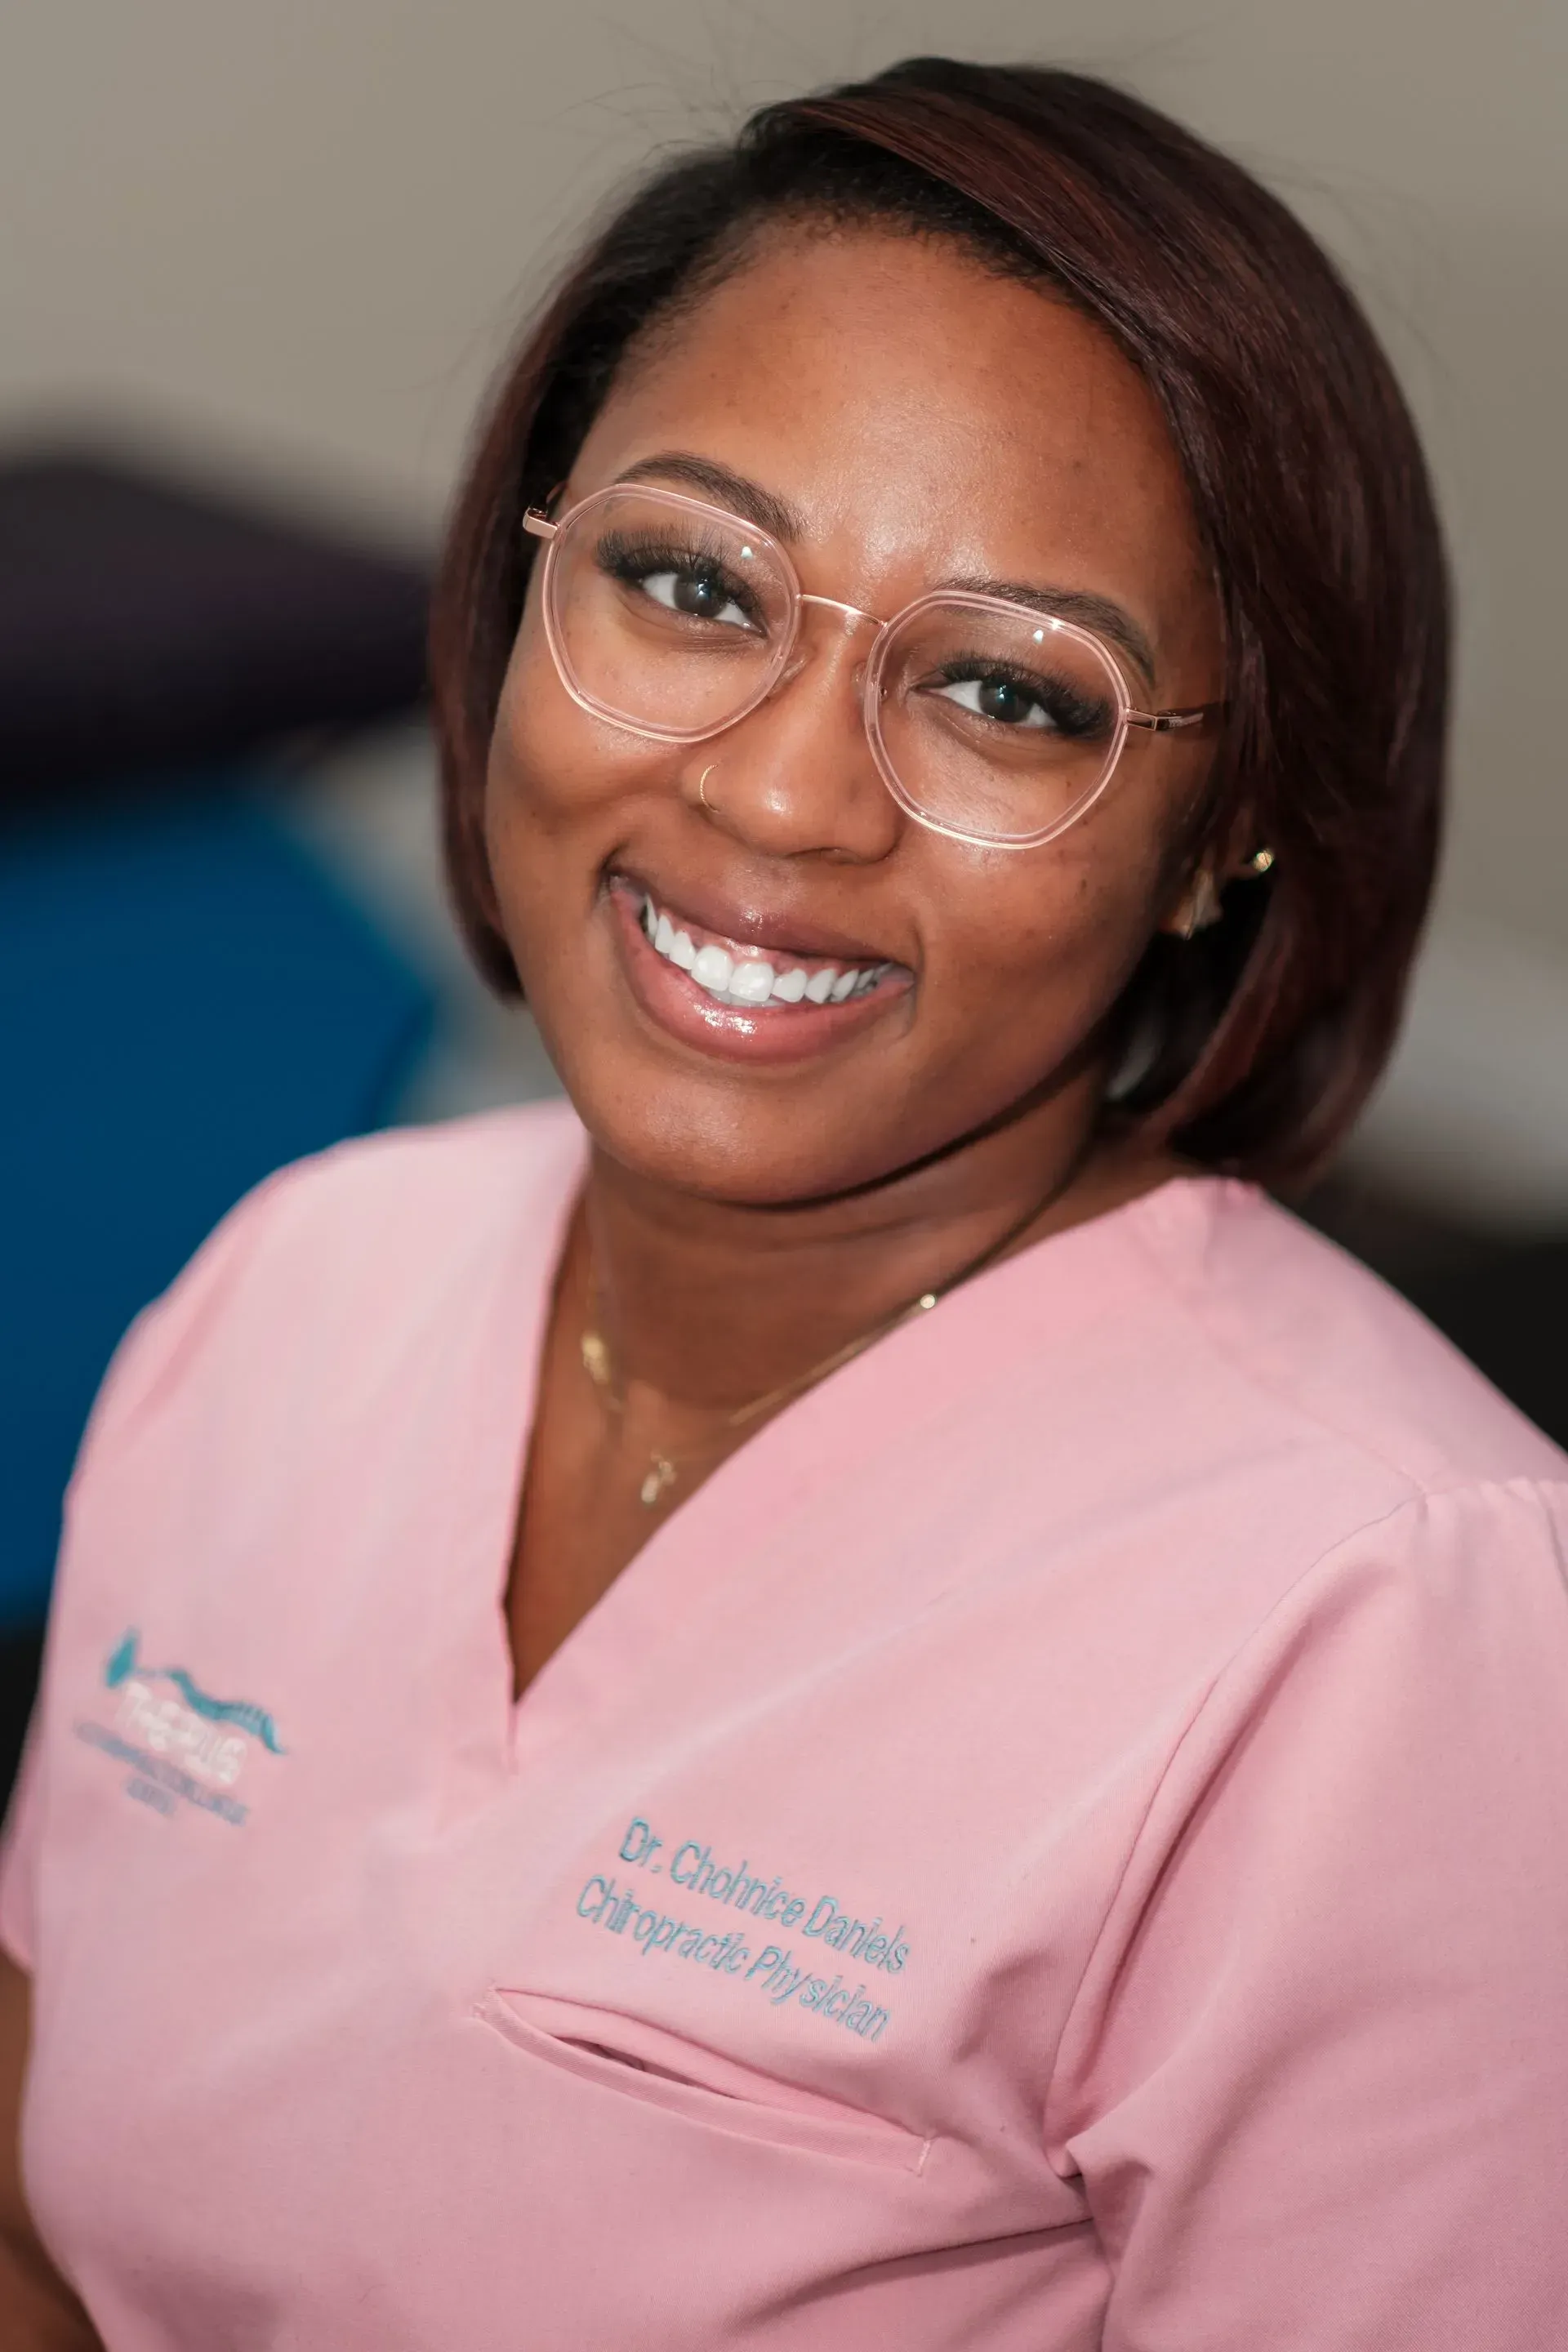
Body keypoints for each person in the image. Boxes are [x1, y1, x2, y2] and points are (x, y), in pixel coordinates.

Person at [2, 54, 1565, 2351]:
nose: (786, 789)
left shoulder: (1389, 1636)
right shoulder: (301, 1283)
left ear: (1230, 838)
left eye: (1018, 698)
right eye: (687, 579)